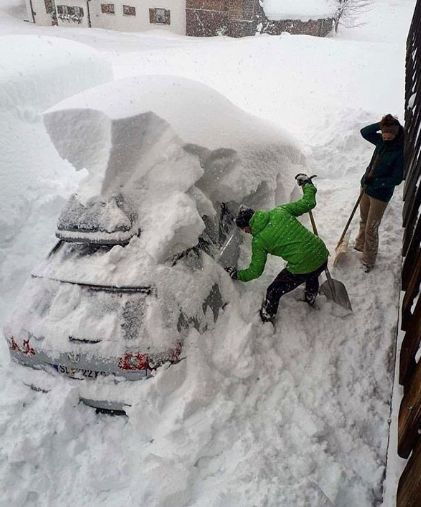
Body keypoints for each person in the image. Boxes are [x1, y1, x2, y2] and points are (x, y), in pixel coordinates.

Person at [225, 174, 329, 324]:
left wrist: (237, 275)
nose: (246, 232)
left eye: (244, 229)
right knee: (313, 274)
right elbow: (308, 202)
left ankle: (267, 318)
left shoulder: (259, 240)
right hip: (321, 253)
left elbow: (256, 271)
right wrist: (307, 184)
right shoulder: (279, 211)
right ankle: (310, 297)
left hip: (303, 264)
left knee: (273, 291)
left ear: (247, 226)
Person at [355, 114, 404, 272]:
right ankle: (360, 244)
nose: (386, 136)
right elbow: (364, 132)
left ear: (396, 133)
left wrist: (377, 183)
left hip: (380, 196)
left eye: (390, 133)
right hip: (366, 188)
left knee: (371, 227)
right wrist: (381, 124)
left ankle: (369, 259)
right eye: (384, 132)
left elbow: (397, 178)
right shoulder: (380, 141)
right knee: (363, 219)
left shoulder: (399, 151)